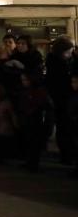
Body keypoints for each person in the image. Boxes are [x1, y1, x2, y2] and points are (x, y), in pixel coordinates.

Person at [46, 36, 75, 165]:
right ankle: (67, 155)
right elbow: (57, 84)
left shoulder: (60, 62)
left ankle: (67, 155)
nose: (70, 54)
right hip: (62, 100)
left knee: (64, 129)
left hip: (62, 100)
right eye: (68, 52)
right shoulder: (58, 65)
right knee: (65, 128)